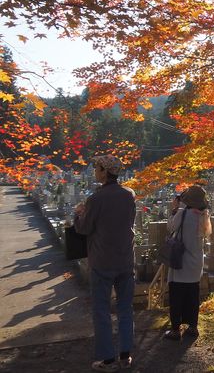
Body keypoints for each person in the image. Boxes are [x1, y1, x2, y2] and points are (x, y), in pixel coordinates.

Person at [74, 155, 136, 372]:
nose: (94, 171)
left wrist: (78, 215)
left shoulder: (96, 199)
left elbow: (84, 228)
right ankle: (126, 354)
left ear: (104, 171)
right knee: (125, 307)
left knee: (101, 309)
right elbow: (129, 222)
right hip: (125, 258)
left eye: (96, 168)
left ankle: (107, 358)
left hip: (102, 260)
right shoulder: (129, 195)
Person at [164, 185, 212, 341]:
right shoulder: (203, 215)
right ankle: (192, 327)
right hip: (196, 261)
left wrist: (175, 209)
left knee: (177, 295)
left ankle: (175, 329)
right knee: (192, 295)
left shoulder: (183, 213)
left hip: (181, 260)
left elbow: (170, 227)